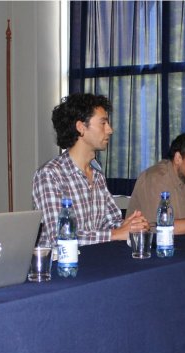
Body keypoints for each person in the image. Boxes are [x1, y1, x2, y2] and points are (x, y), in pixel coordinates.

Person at [32, 93, 149, 246]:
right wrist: (116, 233)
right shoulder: (50, 174)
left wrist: (131, 225)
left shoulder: (96, 173)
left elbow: (110, 221)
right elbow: (59, 235)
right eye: (103, 123)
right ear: (81, 127)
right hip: (59, 260)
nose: (110, 130)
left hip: (93, 257)